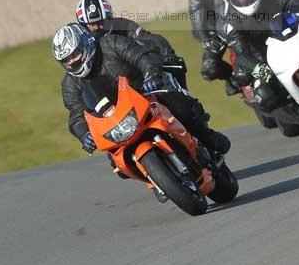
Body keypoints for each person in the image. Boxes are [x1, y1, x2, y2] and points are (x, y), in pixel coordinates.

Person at [53, 23, 231, 164]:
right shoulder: (69, 83)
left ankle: (207, 137)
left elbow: (141, 55)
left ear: (86, 44)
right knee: (116, 163)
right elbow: (76, 113)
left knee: (181, 107)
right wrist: (84, 134)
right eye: (66, 60)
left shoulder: (110, 44)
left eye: (74, 54)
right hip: (115, 120)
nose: (72, 61)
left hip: (145, 94)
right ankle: (153, 176)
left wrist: (151, 75)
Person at [75, 0, 187, 89]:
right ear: (83, 26)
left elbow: (150, 38)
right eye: (92, 25)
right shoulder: (79, 45)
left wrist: (166, 54)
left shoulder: (122, 25)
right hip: (107, 91)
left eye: (101, 22)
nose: (98, 27)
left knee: (175, 69)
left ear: (110, 18)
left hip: (136, 79)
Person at [188, 0, 238, 96]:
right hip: (218, 34)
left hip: (244, 23)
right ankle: (232, 78)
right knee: (209, 69)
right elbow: (198, 26)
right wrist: (208, 39)